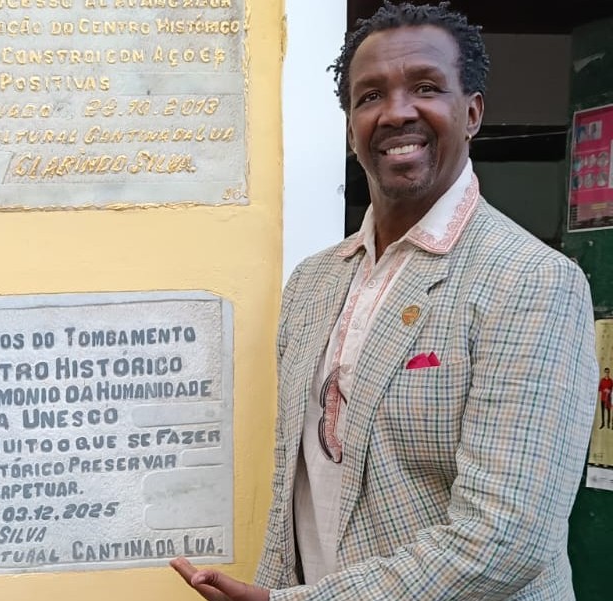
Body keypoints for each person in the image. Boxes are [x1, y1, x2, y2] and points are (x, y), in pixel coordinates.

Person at [172, 3, 596, 600]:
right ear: (351, 127)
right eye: (370, 96)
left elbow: (507, 537)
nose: (397, 112)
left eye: (425, 87)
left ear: (471, 112)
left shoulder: (530, 282)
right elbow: (298, 492)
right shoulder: (315, 282)